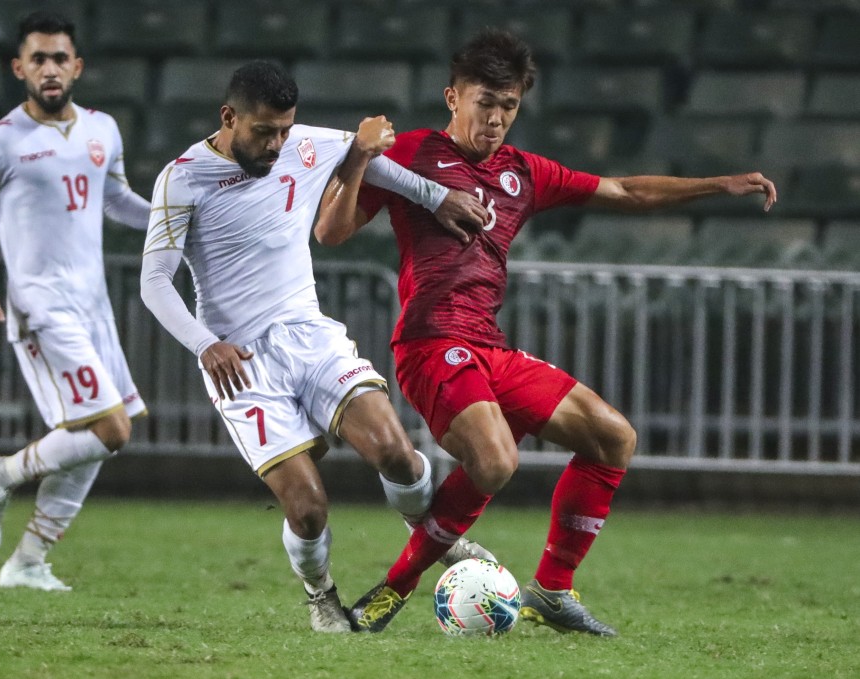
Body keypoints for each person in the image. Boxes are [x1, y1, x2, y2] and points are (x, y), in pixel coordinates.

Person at [315, 28, 778, 635]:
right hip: (430, 345)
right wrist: (358, 162)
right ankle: (391, 591)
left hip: (490, 348)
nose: (497, 119)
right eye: (486, 102)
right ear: (452, 97)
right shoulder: (410, 156)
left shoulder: (523, 173)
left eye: (509, 107)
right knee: (496, 459)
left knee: (613, 438)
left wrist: (718, 185)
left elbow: (625, 191)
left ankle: (552, 592)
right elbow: (330, 233)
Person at [140, 60, 491, 632]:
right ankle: (320, 595)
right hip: (240, 360)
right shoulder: (183, 178)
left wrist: (435, 197)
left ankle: (433, 536)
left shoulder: (301, 144)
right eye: (263, 132)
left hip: (308, 333)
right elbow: (153, 281)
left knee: (397, 452)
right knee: (307, 507)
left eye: (284, 129)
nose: (278, 144)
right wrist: (206, 344)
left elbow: (371, 161)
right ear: (228, 117)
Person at [0, 11, 151, 591]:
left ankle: (27, 560)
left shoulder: (103, 129)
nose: (50, 69)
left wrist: (170, 222)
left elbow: (117, 201)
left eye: (60, 58)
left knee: (96, 437)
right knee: (112, 429)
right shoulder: (0, 142)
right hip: (39, 305)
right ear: (19, 69)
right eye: (38, 59)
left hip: (93, 304)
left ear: (77, 66)